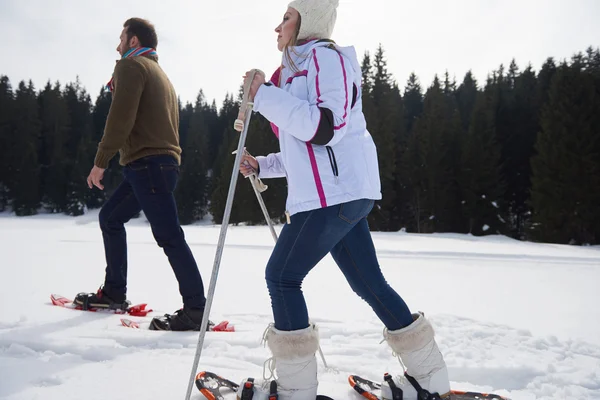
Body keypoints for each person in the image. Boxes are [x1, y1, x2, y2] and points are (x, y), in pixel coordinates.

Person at [235, 0, 451, 399]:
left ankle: (295, 390)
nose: (277, 26)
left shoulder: (324, 58)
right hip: (340, 194)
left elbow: (324, 128)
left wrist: (262, 94)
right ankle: (431, 378)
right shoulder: (299, 71)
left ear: (309, 21)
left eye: (287, 16)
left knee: (282, 277)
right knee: (369, 283)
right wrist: (261, 165)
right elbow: (306, 153)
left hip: (332, 198)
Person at [76, 18, 209, 332]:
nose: (117, 45)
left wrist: (100, 161)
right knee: (110, 217)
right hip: (154, 166)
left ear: (133, 41)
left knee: (169, 236)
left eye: (121, 38)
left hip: (148, 166)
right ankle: (113, 293)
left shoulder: (131, 67)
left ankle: (195, 309)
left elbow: (120, 120)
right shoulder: (159, 73)